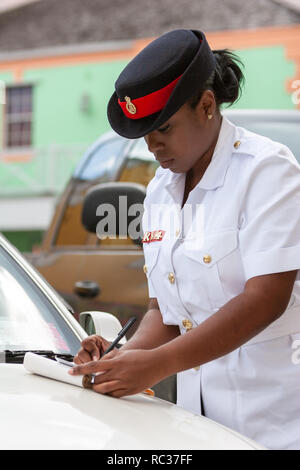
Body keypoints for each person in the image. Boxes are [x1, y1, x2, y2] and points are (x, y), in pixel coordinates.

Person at [69, 29, 300, 450]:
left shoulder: (266, 171)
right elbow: (167, 311)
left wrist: (156, 365)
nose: (152, 144)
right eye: (144, 132)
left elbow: (267, 297)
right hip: (196, 429)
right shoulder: (160, 189)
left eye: (164, 127)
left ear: (207, 105)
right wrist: (123, 360)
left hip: (275, 426)